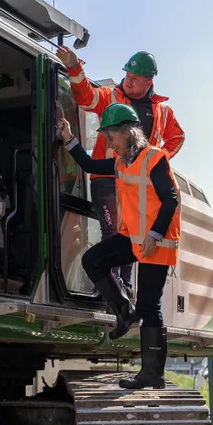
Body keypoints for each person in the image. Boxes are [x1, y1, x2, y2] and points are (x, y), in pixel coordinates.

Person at [56, 103, 179, 390]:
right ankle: (123, 310)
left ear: (127, 133)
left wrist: (155, 235)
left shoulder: (155, 158)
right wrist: (69, 138)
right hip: (133, 239)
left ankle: (152, 375)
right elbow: (87, 165)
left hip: (156, 243)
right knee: (93, 260)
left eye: (111, 137)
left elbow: (170, 199)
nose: (109, 143)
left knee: (150, 306)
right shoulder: (119, 163)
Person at [56, 46, 185, 295]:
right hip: (106, 177)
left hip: (140, 185)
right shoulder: (111, 97)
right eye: (127, 75)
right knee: (112, 232)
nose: (128, 81)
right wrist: (74, 67)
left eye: (135, 79)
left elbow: (177, 137)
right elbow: (85, 97)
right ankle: (112, 288)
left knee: (132, 236)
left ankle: (125, 285)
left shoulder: (163, 111)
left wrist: (155, 163)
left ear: (149, 82)